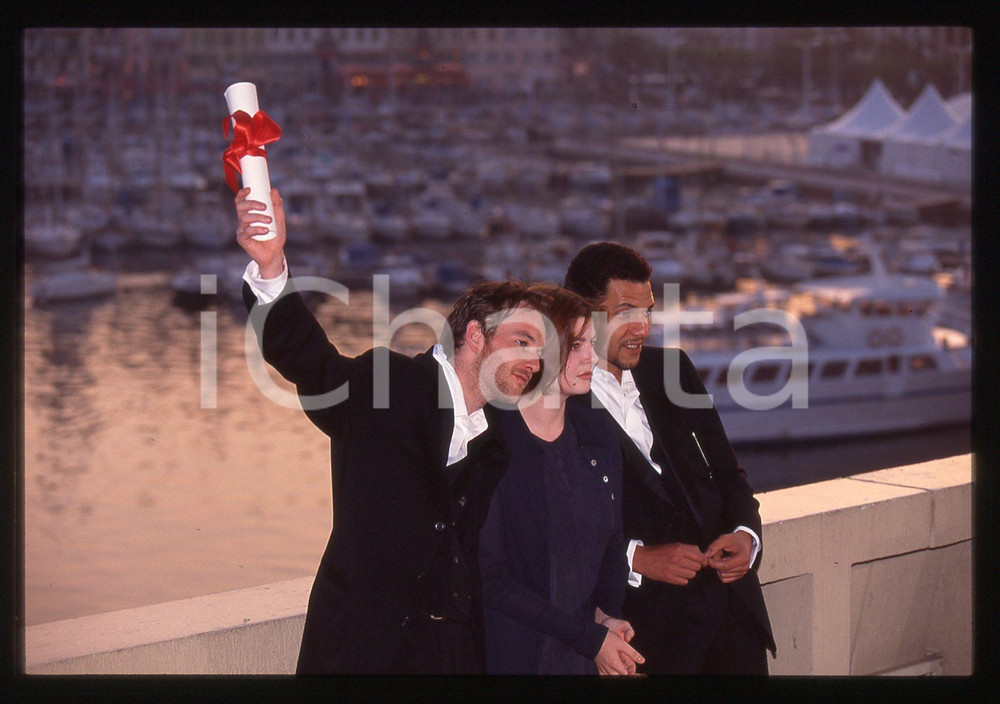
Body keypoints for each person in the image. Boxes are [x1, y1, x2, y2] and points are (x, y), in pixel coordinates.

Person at [234, 186, 552, 674]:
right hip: (362, 656)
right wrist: (273, 269)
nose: (534, 361)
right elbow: (313, 366)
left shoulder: (494, 441)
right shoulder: (392, 384)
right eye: (524, 341)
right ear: (475, 336)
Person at [564, 242, 776, 675]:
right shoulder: (554, 399)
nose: (641, 327)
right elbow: (549, 524)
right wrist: (635, 558)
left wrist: (745, 534)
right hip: (646, 641)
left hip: (735, 629)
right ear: (581, 315)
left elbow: (728, 472)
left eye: (648, 311)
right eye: (625, 313)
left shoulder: (673, 370)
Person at [478, 286, 644, 675]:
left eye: (592, 342)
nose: (592, 356)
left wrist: (605, 616)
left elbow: (609, 542)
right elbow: (492, 578)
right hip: (518, 660)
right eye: (576, 346)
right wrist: (589, 636)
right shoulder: (492, 440)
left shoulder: (599, 431)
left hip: (583, 656)